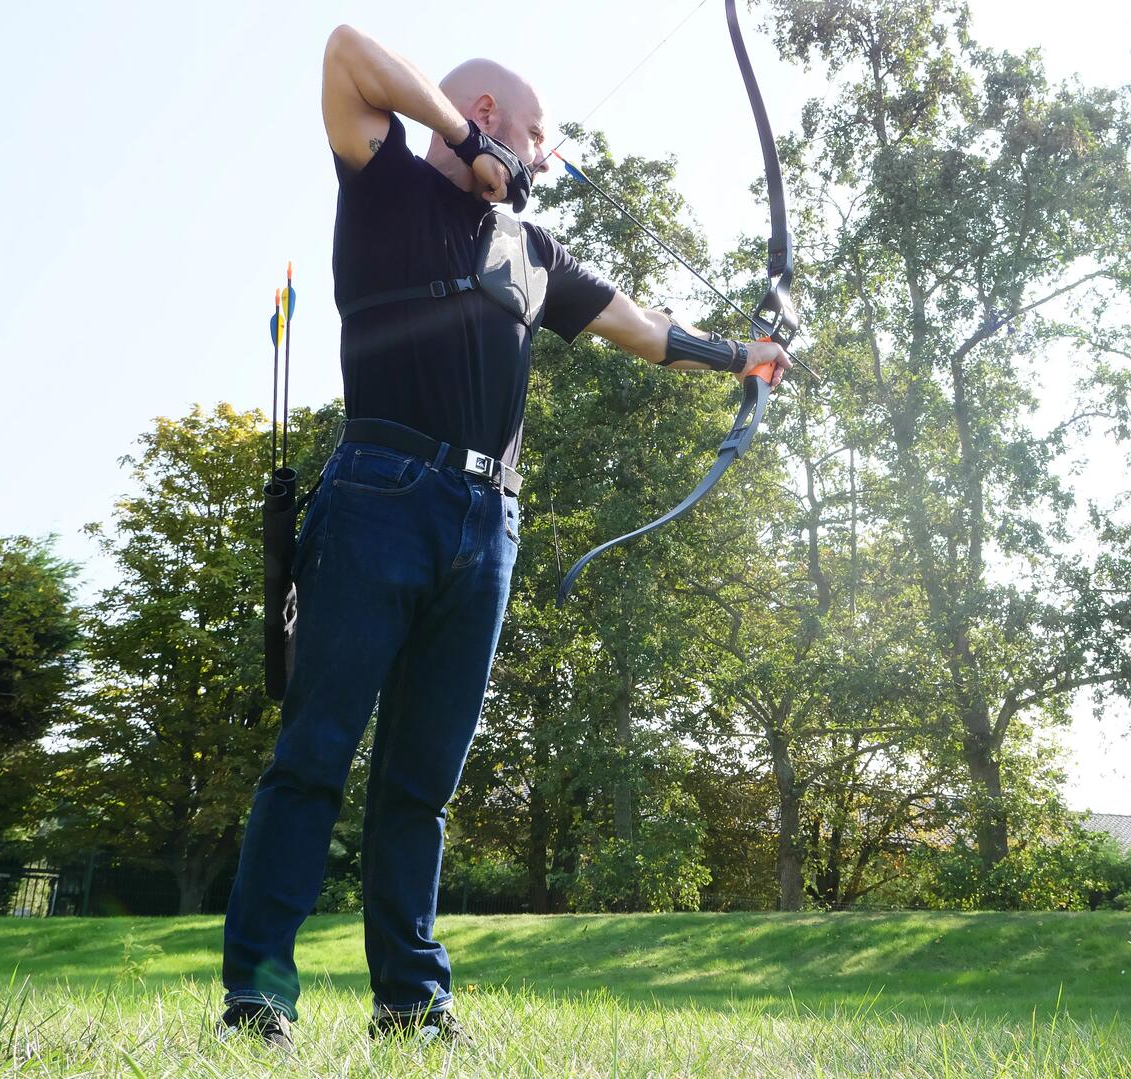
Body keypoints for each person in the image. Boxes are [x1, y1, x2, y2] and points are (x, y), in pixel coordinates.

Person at [218, 24, 790, 1050]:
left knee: (422, 783)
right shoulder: (386, 182)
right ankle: (258, 997)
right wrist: (460, 137)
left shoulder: (533, 253)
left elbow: (647, 333)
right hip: (379, 494)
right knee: (312, 757)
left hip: (488, 527)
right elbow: (348, 49)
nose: (541, 162)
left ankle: (412, 1005)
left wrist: (747, 355)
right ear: (487, 120)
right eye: (534, 138)